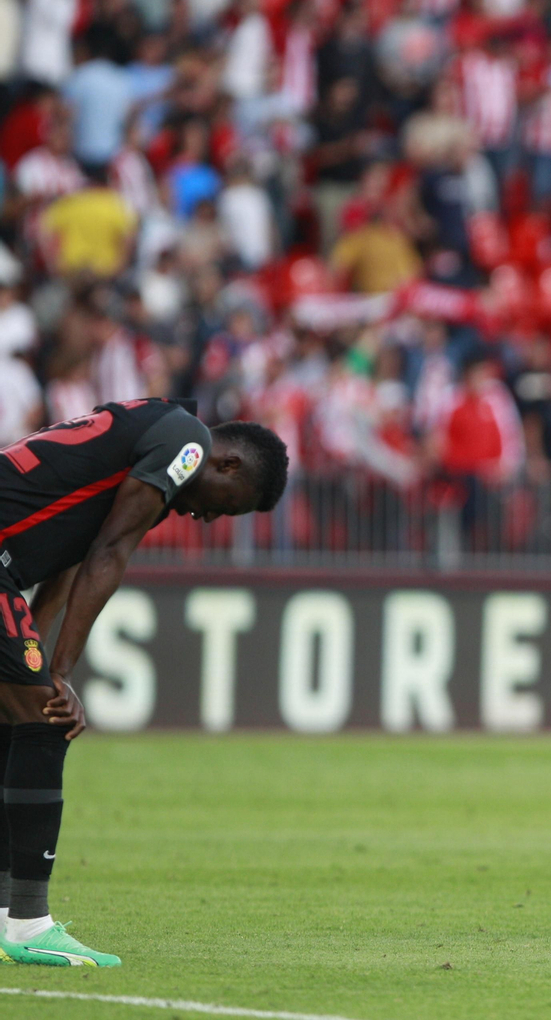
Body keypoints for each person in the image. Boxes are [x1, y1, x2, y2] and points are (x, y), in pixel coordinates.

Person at [0, 399, 288, 966]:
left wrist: (50, 666)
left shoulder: (153, 446)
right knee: (43, 720)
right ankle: (28, 923)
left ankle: (10, 914)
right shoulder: (187, 444)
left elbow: (70, 564)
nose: (210, 520)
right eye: (230, 509)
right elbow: (109, 553)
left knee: (20, 718)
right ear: (226, 465)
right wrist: (57, 675)